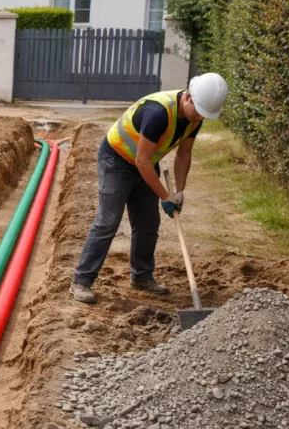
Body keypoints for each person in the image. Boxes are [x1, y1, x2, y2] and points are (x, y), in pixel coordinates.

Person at [70, 73, 229, 304]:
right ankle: (81, 281)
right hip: (117, 160)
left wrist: (180, 191)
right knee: (108, 222)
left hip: (144, 163)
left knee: (148, 223)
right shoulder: (159, 113)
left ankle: (142, 277)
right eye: (198, 111)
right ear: (188, 97)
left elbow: (184, 154)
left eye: (204, 114)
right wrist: (165, 195)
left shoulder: (196, 117)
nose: (199, 117)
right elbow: (142, 161)